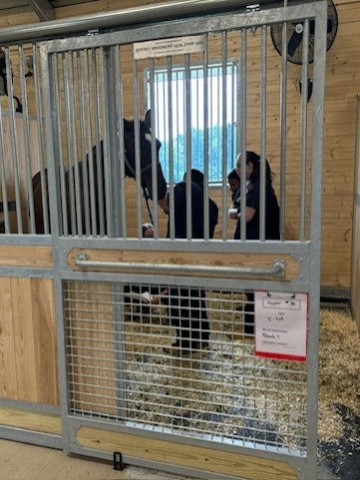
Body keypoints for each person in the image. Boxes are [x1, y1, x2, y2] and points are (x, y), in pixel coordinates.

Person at [159, 169, 219, 356]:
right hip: (200, 257)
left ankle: (184, 343)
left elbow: (167, 207)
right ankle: (202, 338)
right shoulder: (211, 205)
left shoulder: (181, 189)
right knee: (196, 294)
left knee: (179, 297)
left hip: (179, 254)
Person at [233, 151, 280, 336]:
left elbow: (247, 215)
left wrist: (236, 214)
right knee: (255, 288)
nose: (236, 170)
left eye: (239, 165)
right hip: (258, 243)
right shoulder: (253, 185)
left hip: (259, 245)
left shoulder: (257, 186)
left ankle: (254, 332)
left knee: (255, 288)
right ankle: (256, 329)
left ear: (250, 166)